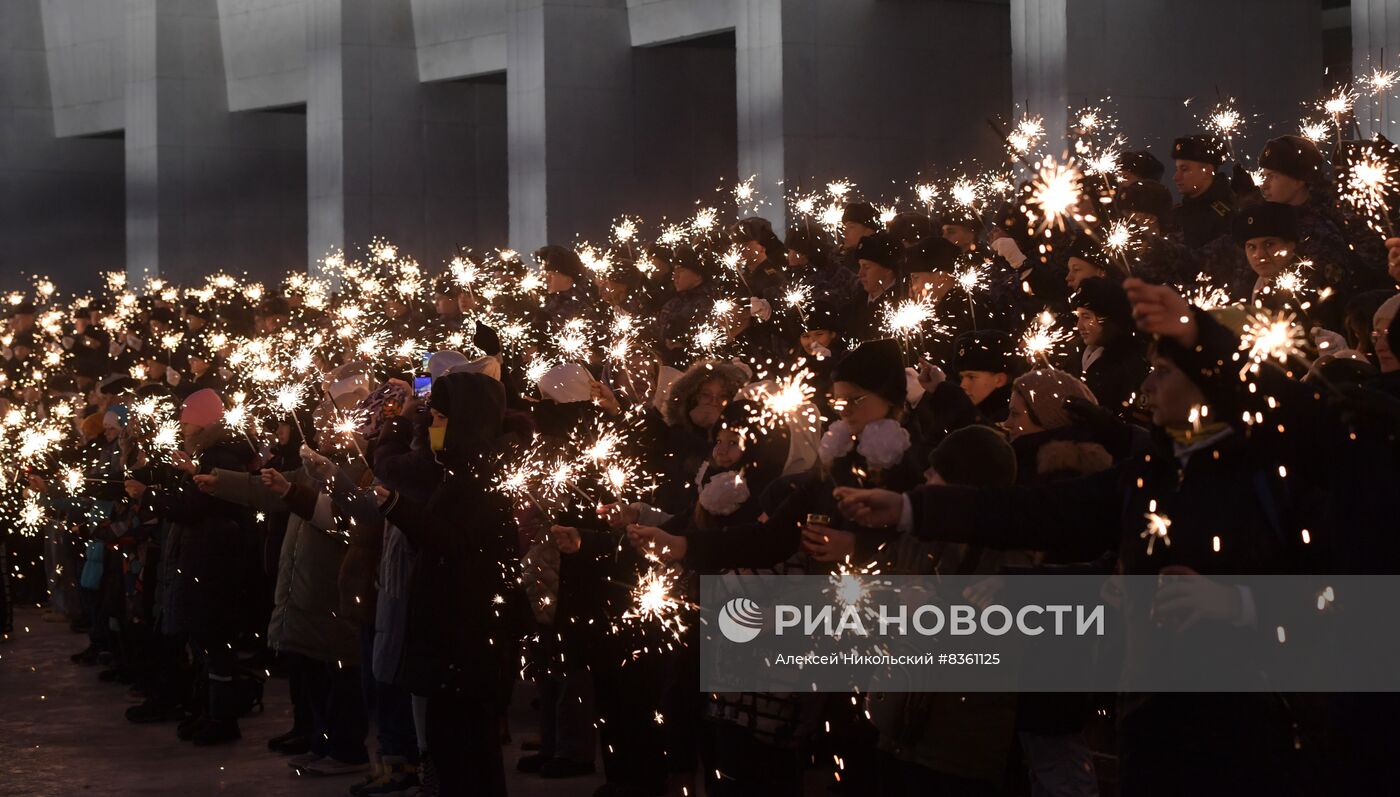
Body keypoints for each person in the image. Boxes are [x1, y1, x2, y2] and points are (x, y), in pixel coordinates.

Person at [372, 371, 526, 797]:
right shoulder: (459, 470)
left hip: (467, 640)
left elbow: (458, 544)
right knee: (454, 746)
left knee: (467, 751)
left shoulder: (482, 478)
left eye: (439, 418)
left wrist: (398, 507)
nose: (431, 426)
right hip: (452, 640)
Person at [1070, 277, 1148, 418]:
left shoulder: (1130, 365)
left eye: (1086, 317)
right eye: (1078, 316)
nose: (1079, 326)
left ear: (1111, 319)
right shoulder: (1074, 354)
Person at [1171, 134, 1235, 250]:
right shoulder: (1176, 213)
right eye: (1177, 169)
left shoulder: (1226, 217)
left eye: (1184, 169)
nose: (1176, 177)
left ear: (1207, 171)